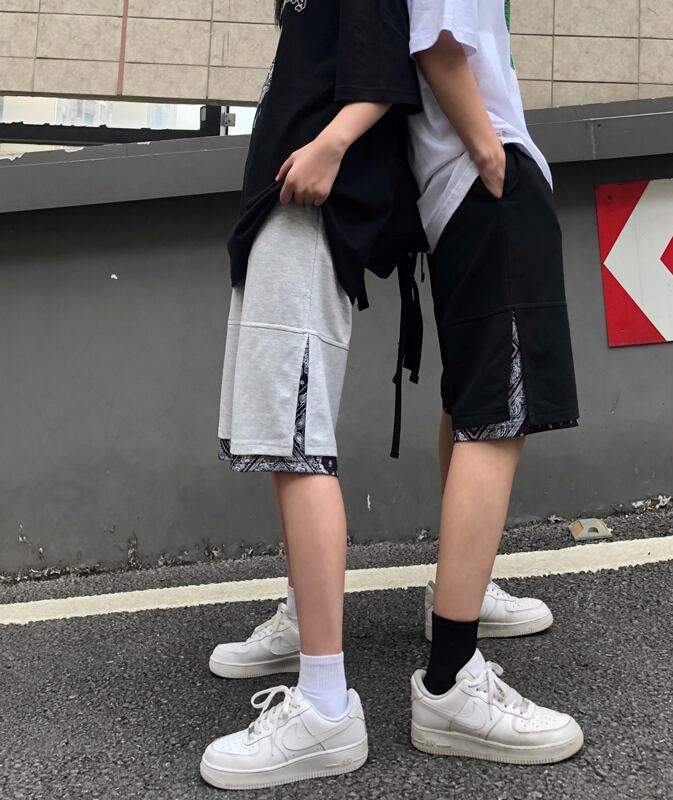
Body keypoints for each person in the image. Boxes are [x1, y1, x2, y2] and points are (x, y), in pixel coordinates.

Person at [199, 0, 427, 790]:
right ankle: (305, 619)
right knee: (280, 440)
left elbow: (386, 67)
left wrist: (330, 146)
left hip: (305, 211)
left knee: (298, 446)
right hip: (280, 213)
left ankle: (327, 705)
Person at [405, 0, 585, 765]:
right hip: (482, 182)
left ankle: (461, 594)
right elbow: (438, 47)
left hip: (454, 194)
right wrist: (492, 155)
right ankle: (450, 681)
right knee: (498, 416)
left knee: (470, 400)